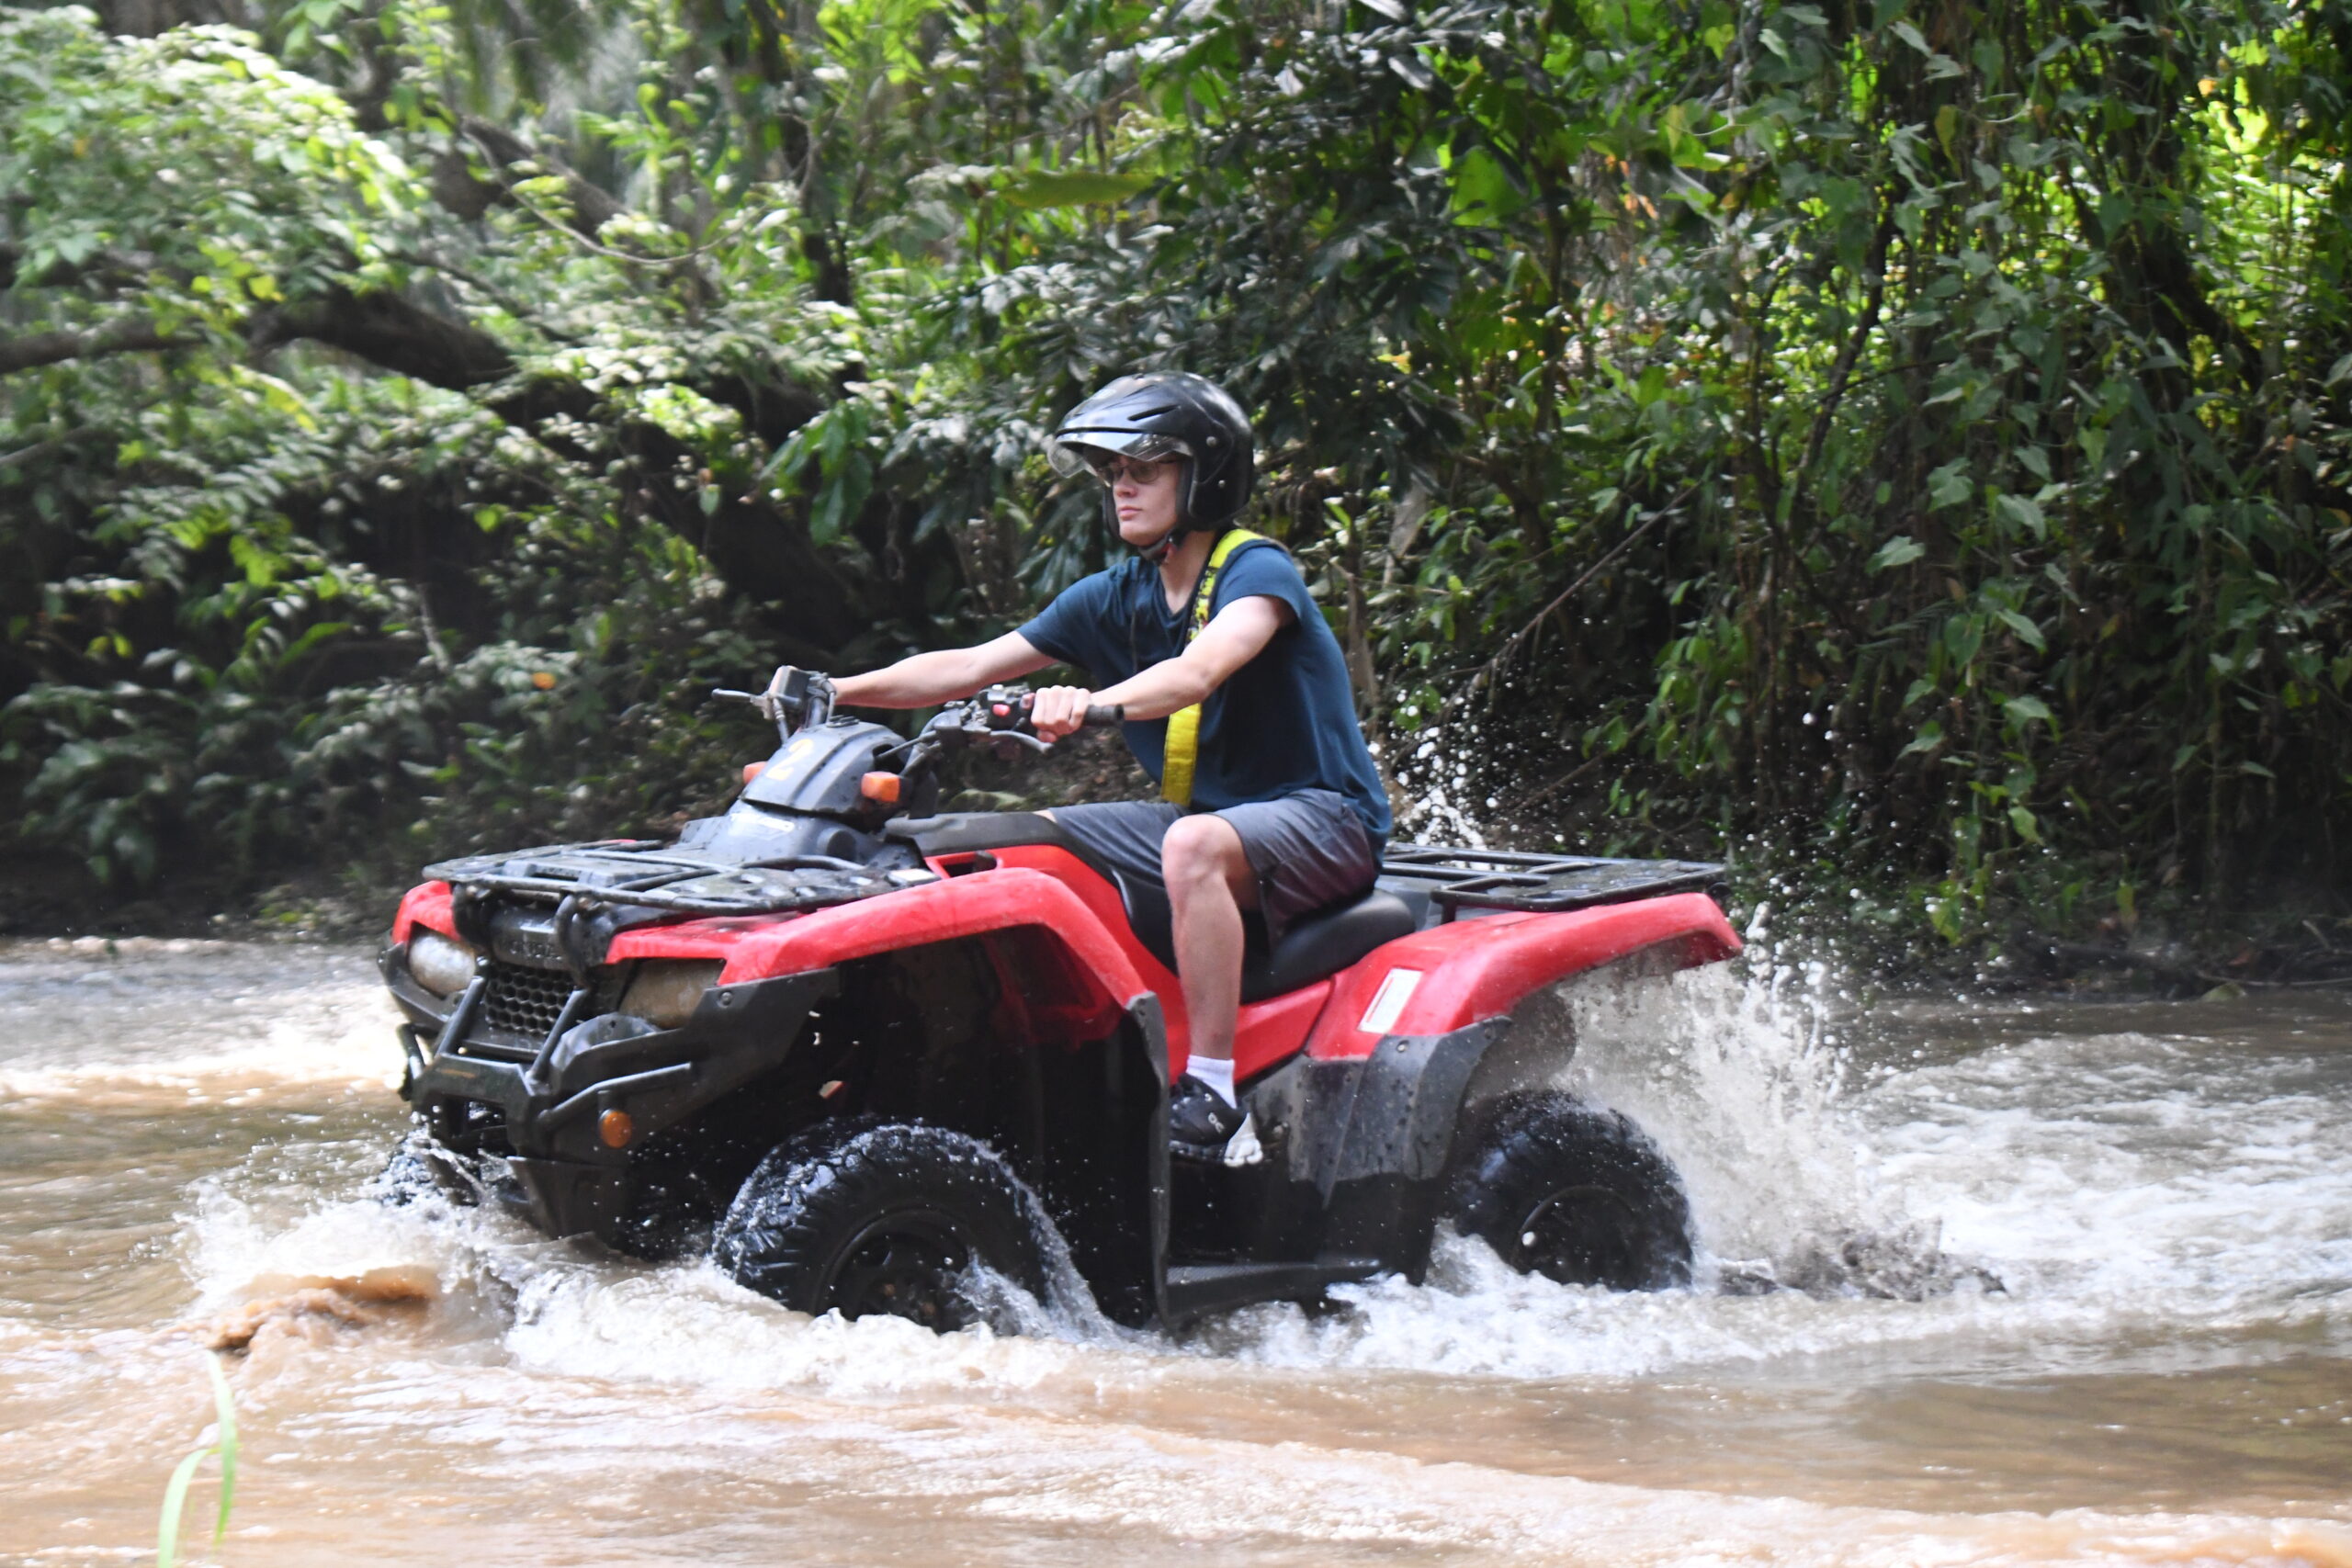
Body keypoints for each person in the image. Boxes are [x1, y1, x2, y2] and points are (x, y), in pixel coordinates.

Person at [832, 372, 1391, 1156]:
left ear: (1204, 473)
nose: (1122, 487)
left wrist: (1092, 704)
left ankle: (1212, 1083)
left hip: (1324, 816)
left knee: (1191, 848)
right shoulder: (1114, 596)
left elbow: (1197, 673)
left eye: (1144, 468)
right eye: (1113, 472)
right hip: (1206, 820)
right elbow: (969, 665)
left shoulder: (1256, 571)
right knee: (1022, 841)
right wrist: (832, 689)